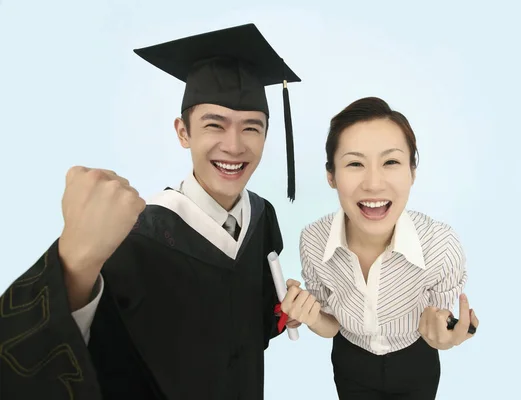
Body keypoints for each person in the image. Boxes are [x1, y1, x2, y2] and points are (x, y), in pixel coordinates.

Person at [0, 23, 302, 400]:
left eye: (251, 128)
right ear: (183, 132)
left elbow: (256, 322)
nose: (234, 145)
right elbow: (73, 358)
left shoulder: (262, 216)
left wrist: (288, 308)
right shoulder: (134, 237)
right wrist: (74, 267)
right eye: (214, 125)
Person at [281, 97, 479, 399]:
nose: (373, 184)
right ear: (331, 176)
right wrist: (309, 315)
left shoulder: (441, 246)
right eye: (355, 164)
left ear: (412, 171)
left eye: (391, 162)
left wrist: (444, 336)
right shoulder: (314, 241)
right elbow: (331, 325)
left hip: (415, 362)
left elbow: (439, 323)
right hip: (350, 361)